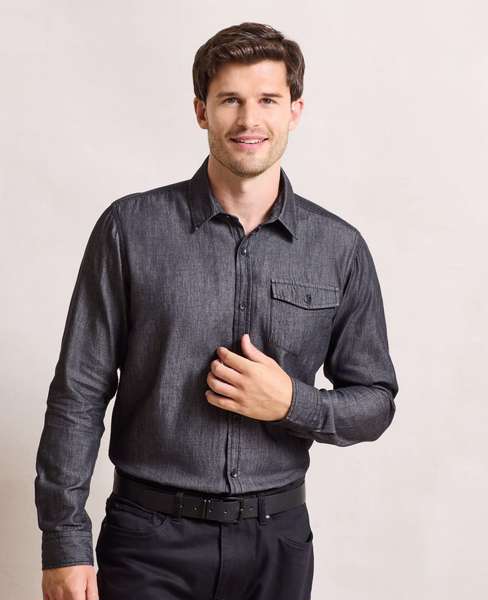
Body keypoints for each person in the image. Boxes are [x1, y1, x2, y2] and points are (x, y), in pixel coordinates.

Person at [35, 21, 399, 600]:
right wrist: (65, 542)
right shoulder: (130, 228)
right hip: (148, 540)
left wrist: (292, 402)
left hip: (276, 545)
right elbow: (78, 392)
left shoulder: (340, 248)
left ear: (295, 111)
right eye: (230, 99)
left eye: (268, 100)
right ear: (202, 111)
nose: (249, 120)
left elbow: (376, 402)